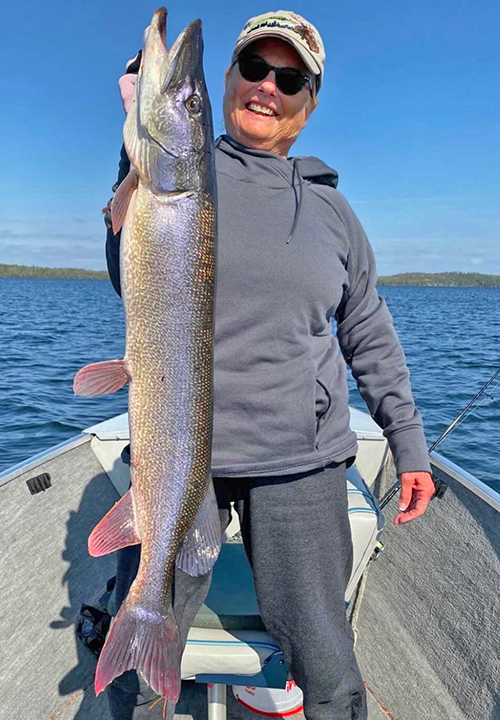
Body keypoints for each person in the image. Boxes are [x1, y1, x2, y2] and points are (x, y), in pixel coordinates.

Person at [104, 11, 436, 720]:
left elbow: (368, 330)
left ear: (308, 106)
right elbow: (123, 265)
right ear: (228, 81)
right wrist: (131, 141)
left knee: (326, 660)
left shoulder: (334, 212)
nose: (267, 88)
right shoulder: (179, 174)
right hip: (180, 457)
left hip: (300, 460)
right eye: (254, 69)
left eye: (289, 79)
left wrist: (407, 443)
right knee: (143, 633)